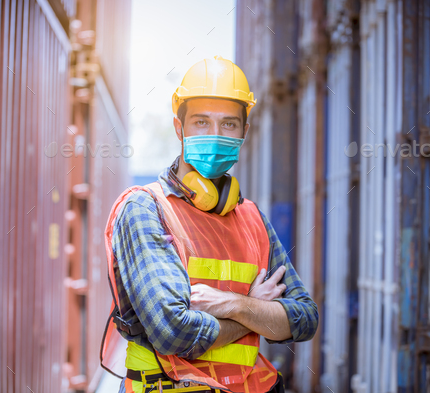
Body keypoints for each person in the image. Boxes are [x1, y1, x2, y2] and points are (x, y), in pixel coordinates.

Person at [102, 56, 318, 393]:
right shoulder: (146, 208)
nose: (215, 135)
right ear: (179, 128)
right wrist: (257, 313)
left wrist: (233, 303)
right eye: (201, 122)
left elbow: (304, 320)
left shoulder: (252, 218)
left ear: (244, 132)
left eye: (228, 124)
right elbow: (174, 333)